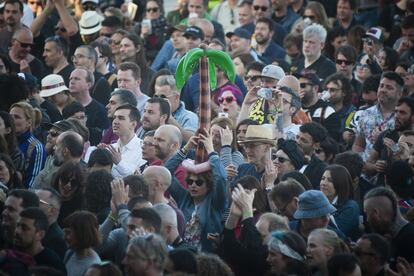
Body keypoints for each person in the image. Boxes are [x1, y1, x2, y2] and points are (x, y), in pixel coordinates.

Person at [165, 131, 228, 252]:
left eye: (199, 182)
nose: (193, 185)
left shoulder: (215, 201)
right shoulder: (184, 197)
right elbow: (166, 173)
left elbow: (221, 178)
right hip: (182, 254)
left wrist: (211, 152)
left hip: (205, 258)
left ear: (208, 185)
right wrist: (186, 148)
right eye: (189, 181)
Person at [353, 72, 404, 161]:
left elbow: (405, 152)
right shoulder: (366, 113)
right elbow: (359, 144)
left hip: (388, 169)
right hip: (364, 169)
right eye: (381, 86)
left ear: (399, 94)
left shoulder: (403, 117)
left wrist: (382, 140)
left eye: (389, 88)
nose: (383, 90)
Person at [365, 97, 414, 186]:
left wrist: (397, 153)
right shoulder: (386, 135)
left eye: (402, 113)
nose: (396, 116)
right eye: (396, 111)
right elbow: (366, 166)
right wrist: (376, 167)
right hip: (383, 191)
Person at [364, 187, 414, 264]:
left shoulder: (410, 239)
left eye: (367, 213)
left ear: (376, 213)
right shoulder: (389, 236)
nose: (367, 219)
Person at [14, 207, 65, 273]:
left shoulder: (52, 265)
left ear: (40, 234)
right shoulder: (11, 253)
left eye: (24, 228)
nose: (17, 231)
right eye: (17, 225)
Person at [100, 104, 144, 178]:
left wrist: (119, 163)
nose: (115, 122)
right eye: (114, 117)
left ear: (133, 124)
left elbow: (137, 178)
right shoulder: (109, 149)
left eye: (121, 118)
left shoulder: (142, 148)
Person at [9, 101, 46, 188]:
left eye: (17, 117)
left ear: (29, 123)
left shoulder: (36, 147)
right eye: (10, 117)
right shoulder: (4, 141)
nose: (11, 120)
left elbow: (33, 183)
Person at [69, 67, 109, 146]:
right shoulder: (67, 107)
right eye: (70, 79)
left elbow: (103, 137)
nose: (72, 82)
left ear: (88, 85)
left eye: (77, 79)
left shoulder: (100, 110)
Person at [142, 166, 186, 237]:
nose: (140, 186)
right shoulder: (141, 208)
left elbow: (175, 246)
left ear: (156, 184)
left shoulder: (175, 215)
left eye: (143, 182)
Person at [320, 164, 360, 240]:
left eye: (330, 180)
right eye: (323, 178)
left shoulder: (351, 207)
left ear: (340, 184)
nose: (323, 183)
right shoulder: (317, 201)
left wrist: (313, 220)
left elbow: (335, 234)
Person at [298, 70, 340, 140]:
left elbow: (332, 141)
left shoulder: (327, 111)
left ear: (315, 88)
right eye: (298, 86)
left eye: (302, 85)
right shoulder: (294, 109)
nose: (299, 89)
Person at [153, 75, 198, 141]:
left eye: (163, 97)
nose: (159, 101)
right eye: (156, 97)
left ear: (176, 97)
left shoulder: (189, 117)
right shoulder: (151, 112)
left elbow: (192, 141)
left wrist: (170, 119)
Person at [63, 211, 101, 276]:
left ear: (82, 234)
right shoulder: (70, 253)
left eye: (68, 233)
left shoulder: (93, 266)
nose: (65, 237)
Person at [35, 188, 67, 259]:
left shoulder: (57, 241)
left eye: (38, 202)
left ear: (51, 210)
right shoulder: (34, 228)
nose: (32, 204)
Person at [51, 162, 85, 226]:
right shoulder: (48, 197)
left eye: (73, 182)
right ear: (58, 179)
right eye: (65, 180)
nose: (68, 185)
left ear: (78, 185)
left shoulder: (81, 206)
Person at [295, 122, 327, 188]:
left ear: (316, 145)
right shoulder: (281, 158)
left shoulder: (321, 170)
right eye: (297, 137)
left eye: (303, 140)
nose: (298, 142)